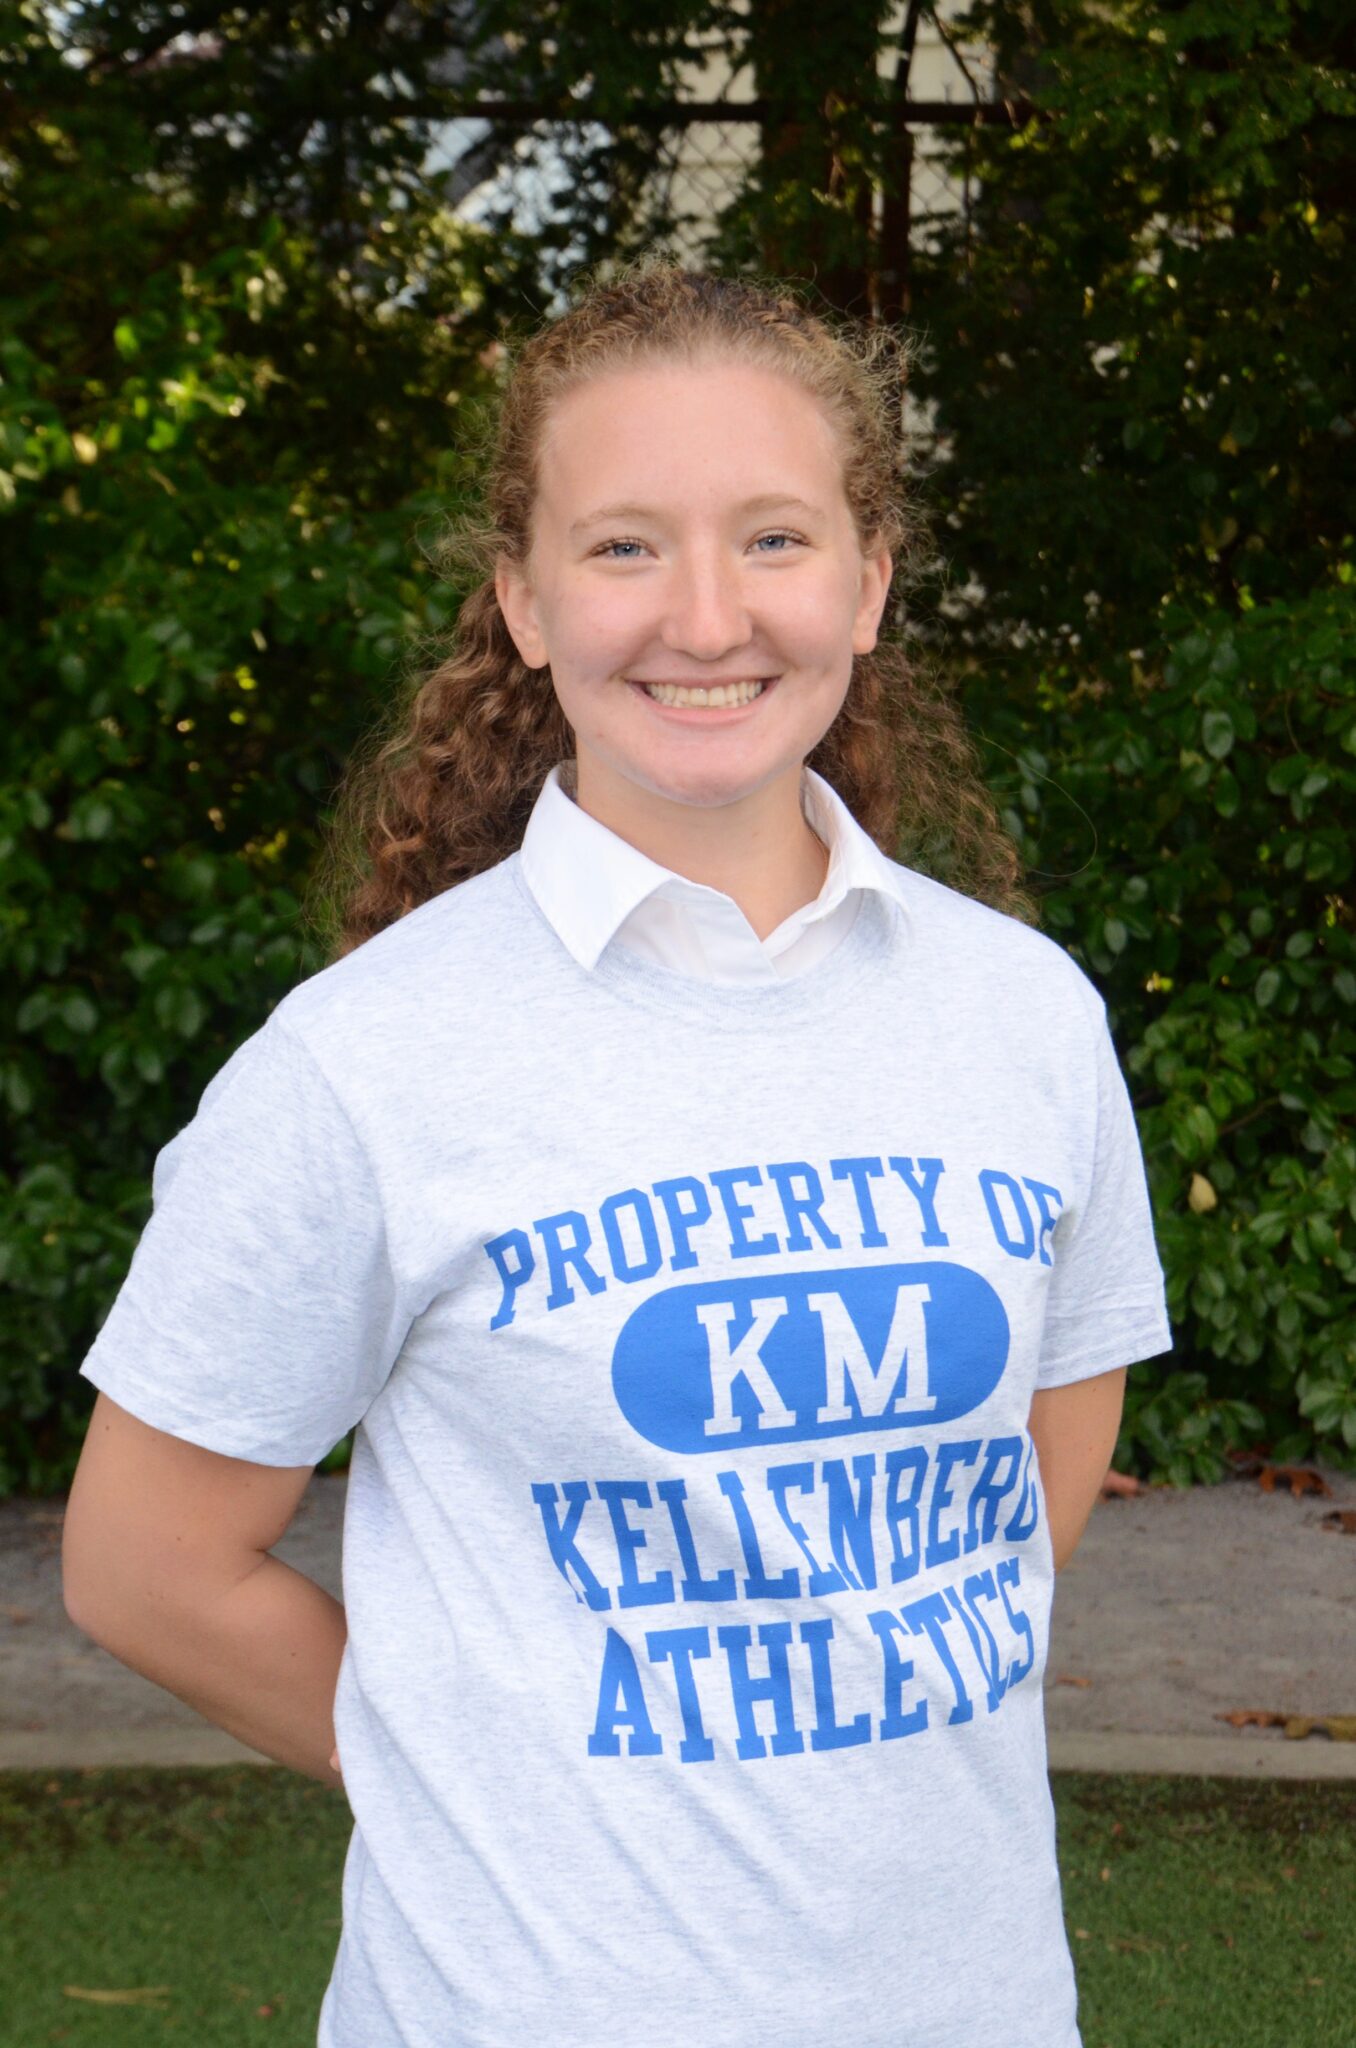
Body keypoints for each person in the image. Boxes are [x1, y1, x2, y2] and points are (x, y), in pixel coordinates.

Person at [62, 261, 1172, 2048]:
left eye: (776, 540)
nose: (707, 618)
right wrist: (483, 1770)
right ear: (524, 598)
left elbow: (1048, 1436)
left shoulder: (1024, 1016)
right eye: (626, 546)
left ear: (871, 581)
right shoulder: (361, 1065)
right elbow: (142, 1570)